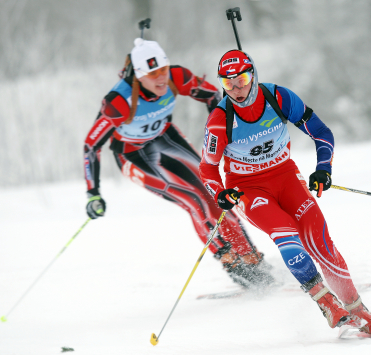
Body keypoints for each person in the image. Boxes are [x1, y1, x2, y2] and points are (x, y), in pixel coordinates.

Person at [199, 49, 371, 334]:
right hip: (249, 189)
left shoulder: (280, 98)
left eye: (242, 79)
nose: (237, 89)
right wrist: (221, 194)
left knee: (320, 240)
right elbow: (208, 169)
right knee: (287, 233)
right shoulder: (219, 120)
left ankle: (358, 309)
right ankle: (327, 304)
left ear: (253, 75)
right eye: (228, 83)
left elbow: (321, 132)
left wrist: (324, 168)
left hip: (286, 176)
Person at [83, 39, 275, 289]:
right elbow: (91, 145)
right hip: (132, 155)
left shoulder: (177, 76)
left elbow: (213, 97)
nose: (161, 78)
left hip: (166, 138)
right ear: (139, 75)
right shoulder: (119, 101)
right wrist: (92, 193)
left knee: (214, 192)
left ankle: (251, 258)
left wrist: (226, 131)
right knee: (194, 199)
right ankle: (232, 263)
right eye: (152, 74)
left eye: (163, 69)